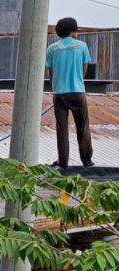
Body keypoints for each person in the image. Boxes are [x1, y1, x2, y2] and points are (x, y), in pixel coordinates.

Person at [46, 17, 94, 169]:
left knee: (62, 129)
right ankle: (86, 160)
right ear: (73, 31)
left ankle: (63, 162)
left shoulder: (52, 48)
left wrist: (57, 88)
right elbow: (84, 70)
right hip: (77, 91)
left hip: (59, 93)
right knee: (82, 127)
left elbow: (51, 72)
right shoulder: (81, 46)